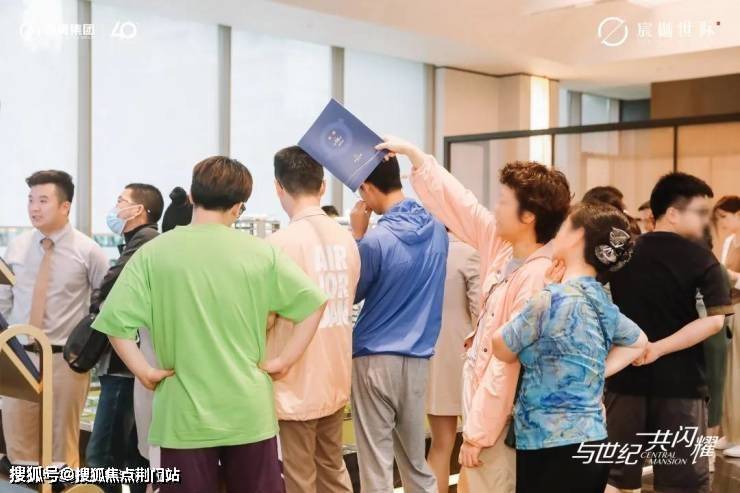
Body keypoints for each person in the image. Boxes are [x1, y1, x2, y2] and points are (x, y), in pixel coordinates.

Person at [91, 156, 328, 493]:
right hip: (249, 411)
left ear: (192, 195)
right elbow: (314, 304)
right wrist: (284, 361)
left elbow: (115, 324)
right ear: (238, 206)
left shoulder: (154, 253)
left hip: (182, 414)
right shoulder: (262, 253)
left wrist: (144, 371)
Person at [376, 136, 571, 492]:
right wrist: (416, 157)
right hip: (487, 416)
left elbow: (505, 367)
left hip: (503, 425)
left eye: (503, 201)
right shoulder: (505, 249)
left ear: (528, 216)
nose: (495, 208)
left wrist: (477, 434)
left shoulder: (536, 277)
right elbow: (461, 204)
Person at [491, 202, 648, 493]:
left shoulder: (549, 299)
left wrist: (539, 295)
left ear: (577, 236)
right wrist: (597, 370)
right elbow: (638, 342)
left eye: (564, 226)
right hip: (593, 438)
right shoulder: (601, 300)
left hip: (547, 441)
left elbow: (501, 346)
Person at [605, 173, 735, 493]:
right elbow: (713, 322)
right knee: (682, 482)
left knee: (616, 479)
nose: (705, 221)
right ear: (673, 213)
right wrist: (658, 348)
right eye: (700, 212)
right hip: (681, 388)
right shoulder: (703, 259)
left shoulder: (622, 253)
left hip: (623, 382)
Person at [348, 156, 448, 493]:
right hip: (418, 358)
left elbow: (353, 291)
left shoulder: (376, 240)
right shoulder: (438, 231)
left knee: (376, 467)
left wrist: (357, 236)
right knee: (416, 464)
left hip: (374, 357)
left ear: (367, 188)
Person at [0, 170, 109, 469]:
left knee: (62, 450)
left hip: (65, 361)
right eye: (30, 200)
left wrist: (89, 352)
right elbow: (4, 302)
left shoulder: (89, 251)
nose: (34, 208)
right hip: (20, 358)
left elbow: (105, 305)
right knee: (19, 447)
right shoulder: (17, 246)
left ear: (65, 206)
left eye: (43, 200)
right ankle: (25, 483)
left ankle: (62, 485)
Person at [266, 146, 360, 493]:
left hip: (293, 381)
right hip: (334, 374)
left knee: (299, 477)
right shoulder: (346, 240)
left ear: (278, 187)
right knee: (332, 469)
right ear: (322, 186)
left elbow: (266, 316)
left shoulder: (277, 244)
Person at [85, 183, 163, 493]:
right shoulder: (137, 242)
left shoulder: (146, 242)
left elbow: (108, 290)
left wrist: (98, 300)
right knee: (131, 456)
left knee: (103, 456)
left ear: (138, 210)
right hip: (128, 364)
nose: (115, 208)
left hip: (126, 365)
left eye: (121, 201)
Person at [426, 231, 480, 493]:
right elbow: (481, 313)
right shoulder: (468, 254)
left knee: (440, 444)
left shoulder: (425, 252)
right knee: (477, 444)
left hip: (433, 357)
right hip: (466, 358)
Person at [713, 195, 740, 458]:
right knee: (728, 370)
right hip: (730, 306)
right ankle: (730, 431)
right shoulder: (730, 241)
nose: (721, 222)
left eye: (724, 216)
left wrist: (730, 276)